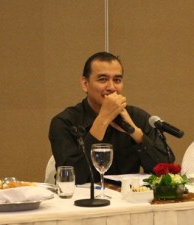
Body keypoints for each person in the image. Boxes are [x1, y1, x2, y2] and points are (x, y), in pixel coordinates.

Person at [49, 52, 175, 185]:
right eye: (102, 79)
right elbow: (71, 178)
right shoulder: (64, 122)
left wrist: (135, 133)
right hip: (83, 202)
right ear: (85, 84)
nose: (111, 87)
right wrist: (103, 119)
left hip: (130, 200)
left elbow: (167, 171)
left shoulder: (137, 117)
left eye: (117, 80)